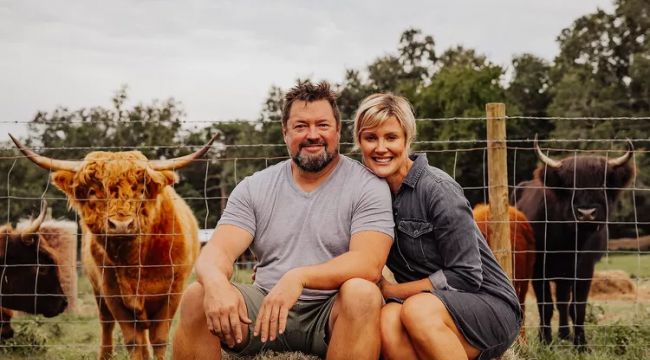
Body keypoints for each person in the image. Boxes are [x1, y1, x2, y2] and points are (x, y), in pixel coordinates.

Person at [172, 81, 395, 360]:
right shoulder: (255, 187)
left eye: (322, 125)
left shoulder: (367, 186)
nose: (312, 135)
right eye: (301, 126)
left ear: (338, 130)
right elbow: (217, 251)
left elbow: (368, 263)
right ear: (285, 133)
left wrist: (299, 278)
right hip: (265, 308)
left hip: (330, 313)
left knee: (363, 293)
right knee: (197, 295)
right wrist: (217, 285)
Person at [353, 93, 522, 360]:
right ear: (358, 142)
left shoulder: (438, 189)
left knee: (416, 310)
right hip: (428, 308)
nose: (380, 148)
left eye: (391, 137)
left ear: (407, 139)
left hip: (486, 305)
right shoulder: (369, 195)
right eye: (370, 138)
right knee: (387, 319)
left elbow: (466, 275)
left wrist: (394, 291)